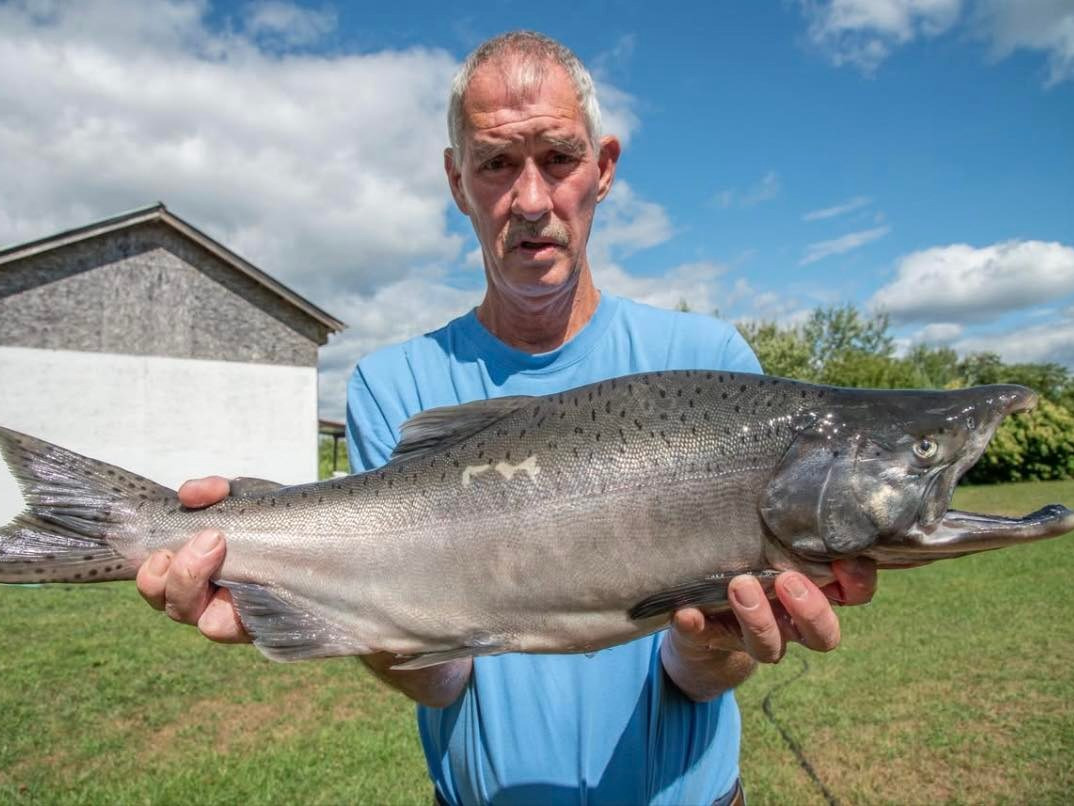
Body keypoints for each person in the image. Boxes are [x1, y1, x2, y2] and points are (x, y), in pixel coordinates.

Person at [136, 31, 876, 805]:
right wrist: (335, 608)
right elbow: (442, 678)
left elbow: (696, 678)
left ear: (604, 167)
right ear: (457, 181)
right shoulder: (393, 384)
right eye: (496, 163)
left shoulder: (711, 363)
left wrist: (716, 646)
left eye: (558, 158)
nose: (530, 200)